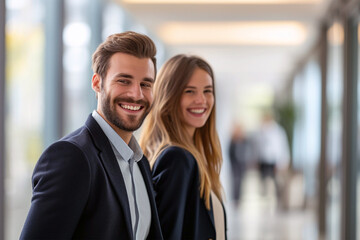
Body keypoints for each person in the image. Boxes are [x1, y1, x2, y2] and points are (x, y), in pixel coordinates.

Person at [20, 31, 163, 240]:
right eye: (124, 81)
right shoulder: (72, 157)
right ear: (97, 83)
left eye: (145, 84)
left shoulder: (140, 163)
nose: (136, 94)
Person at [140, 54, 226, 240]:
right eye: (189, 91)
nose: (201, 100)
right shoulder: (177, 159)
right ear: (169, 97)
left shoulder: (192, 155)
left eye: (207, 91)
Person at [253, 110, 290, 200]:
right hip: (263, 161)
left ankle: (277, 201)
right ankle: (265, 200)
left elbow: (282, 147)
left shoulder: (279, 131)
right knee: (264, 183)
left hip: (274, 161)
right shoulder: (260, 131)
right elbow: (257, 147)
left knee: (276, 183)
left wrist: (284, 162)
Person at [228, 124, 250, 207]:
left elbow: (247, 151)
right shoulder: (233, 140)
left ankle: (239, 198)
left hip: (242, 163)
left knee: (241, 181)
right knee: (235, 181)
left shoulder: (245, 140)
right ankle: (235, 199)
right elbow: (230, 153)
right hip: (235, 164)